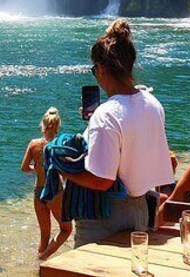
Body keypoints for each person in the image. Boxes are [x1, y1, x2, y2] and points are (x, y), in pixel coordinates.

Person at [61, 19, 175, 247]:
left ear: (101, 69)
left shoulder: (106, 115)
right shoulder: (153, 103)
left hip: (104, 217)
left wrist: (64, 170)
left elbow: (102, 180)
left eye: (94, 70)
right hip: (140, 211)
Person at [21, 107, 72, 260]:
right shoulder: (60, 144)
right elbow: (66, 171)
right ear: (57, 127)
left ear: (42, 125)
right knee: (66, 229)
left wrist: (37, 169)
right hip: (54, 191)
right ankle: (44, 258)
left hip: (38, 192)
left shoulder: (33, 144)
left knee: (44, 235)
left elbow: (24, 168)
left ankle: (39, 267)